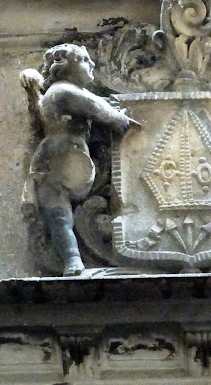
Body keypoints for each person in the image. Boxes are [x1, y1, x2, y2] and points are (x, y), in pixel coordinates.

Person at [21, 44, 140, 276]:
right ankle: (72, 259)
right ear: (65, 66)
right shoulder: (64, 90)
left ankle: (72, 259)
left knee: (58, 215)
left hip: (46, 162)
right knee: (59, 212)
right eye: (84, 60)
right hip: (67, 156)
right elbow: (95, 107)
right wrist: (119, 119)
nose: (92, 64)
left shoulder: (56, 92)